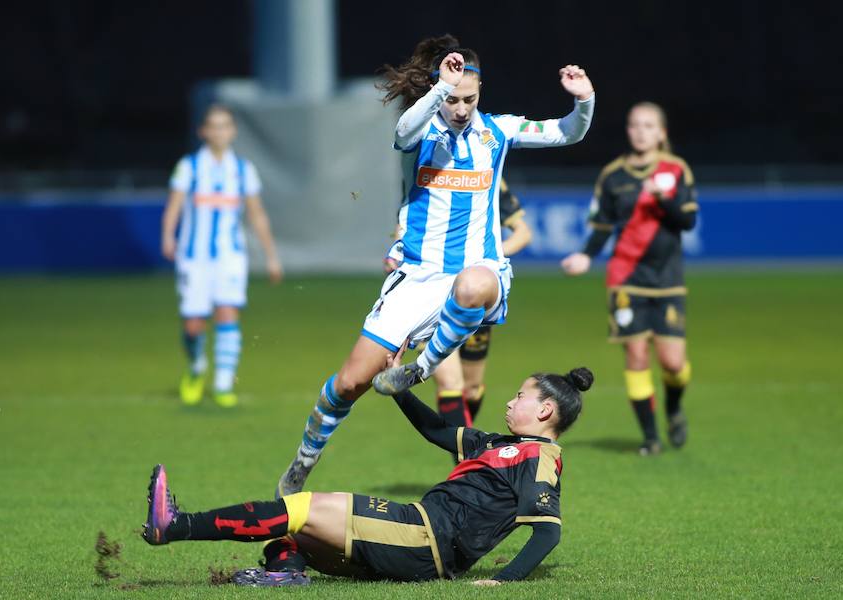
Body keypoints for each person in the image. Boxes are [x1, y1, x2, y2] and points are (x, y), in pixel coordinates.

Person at [276, 34, 594, 496]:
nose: (461, 108)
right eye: (453, 99)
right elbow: (402, 133)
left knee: (473, 284)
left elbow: (568, 132)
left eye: (470, 98)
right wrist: (439, 88)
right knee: (348, 383)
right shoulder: (422, 130)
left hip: (479, 269)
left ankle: (419, 369)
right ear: (439, 91)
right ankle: (304, 461)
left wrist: (583, 99)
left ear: (481, 91)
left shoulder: (498, 132)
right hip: (416, 277)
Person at [142, 361, 594, 587]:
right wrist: (398, 388)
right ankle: (286, 574)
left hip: (426, 539)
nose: (510, 402)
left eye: (521, 397)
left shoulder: (540, 457)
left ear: (545, 410)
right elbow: (436, 430)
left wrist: (503, 580)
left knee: (300, 508)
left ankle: (174, 526)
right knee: (287, 528)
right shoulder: (497, 443)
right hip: (417, 534)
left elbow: (547, 531)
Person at [560, 102, 697, 455]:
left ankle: (673, 408)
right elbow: (602, 225)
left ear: (661, 133)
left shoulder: (675, 169)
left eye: (649, 125)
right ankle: (651, 438)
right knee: (636, 355)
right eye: (635, 125)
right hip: (625, 276)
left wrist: (662, 199)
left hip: (667, 279)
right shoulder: (613, 175)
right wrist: (586, 255)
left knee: (674, 364)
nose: (640, 132)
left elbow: (688, 221)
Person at [161, 104, 283, 408]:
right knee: (193, 324)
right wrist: (168, 236)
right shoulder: (189, 167)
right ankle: (196, 366)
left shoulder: (242, 170)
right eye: (214, 126)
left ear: (233, 131)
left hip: (230, 256)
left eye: (225, 125)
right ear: (203, 131)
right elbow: (174, 205)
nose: (220, 132)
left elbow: (256, 214)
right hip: (194, 257)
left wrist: (271, 255)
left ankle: (223, 383)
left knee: (228, 314)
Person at [429, 179, 532, 431]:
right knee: (450, 384)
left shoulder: (487, 174)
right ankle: (465, 455)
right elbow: (404, 224)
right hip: (432, 293)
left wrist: (490, 257)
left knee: (471, 389)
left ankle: (462, 439)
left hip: (476, 295)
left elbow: (523, 233)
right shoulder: (428, 170)